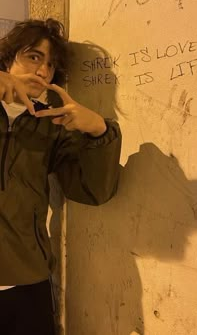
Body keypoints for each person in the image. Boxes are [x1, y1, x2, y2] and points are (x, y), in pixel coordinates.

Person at [0, 18, 122, 335]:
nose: (42, 71)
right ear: (8, 59)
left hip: (26, 282)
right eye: (34, 57)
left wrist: (99, 130)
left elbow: (92, 191)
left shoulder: (51, 124)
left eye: (51, 65)